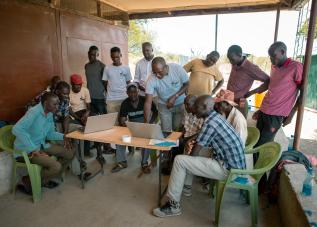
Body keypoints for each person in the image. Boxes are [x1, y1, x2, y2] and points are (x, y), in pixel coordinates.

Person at [152, 95, 246, 218]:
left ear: (206, 107)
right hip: (233, 165)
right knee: (188, 154)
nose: (194, 110)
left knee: (180, 160)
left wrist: (186, 157)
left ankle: (173, 205)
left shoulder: (210, 123)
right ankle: (185, 187)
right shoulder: (216, 117)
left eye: (197, 107)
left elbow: (195, 153)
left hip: (230, 171)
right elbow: (200, 143)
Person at [13, 92, 74, 192]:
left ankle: (44, 179)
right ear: (46, 103)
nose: (58, 106)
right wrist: (32, 149)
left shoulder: (49, 113)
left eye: (58, 103)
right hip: (26, 151)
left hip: (41, 145)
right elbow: (17, 129)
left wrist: (64, 136)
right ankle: (28, 180)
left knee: (70, 153)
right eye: (55, 104)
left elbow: (49, 133)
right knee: (56, 166)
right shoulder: (33, 113)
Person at [253, 41, 303, 148]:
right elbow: (273, 89)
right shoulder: (274, 66)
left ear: (283, 52)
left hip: (276, 114)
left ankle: (265, 165)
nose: (271, 59)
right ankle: (257, 164)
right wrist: (261, 109)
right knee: (255, 142)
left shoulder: (296, 67)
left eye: (273, 56)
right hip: (264, 110)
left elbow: (302, 91)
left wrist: (291, 114)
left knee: (263, 146)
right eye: (270, 57)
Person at [111, 83, 158, 174]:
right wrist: (124, 123)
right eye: (130, 92)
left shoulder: (145, 100)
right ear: (127, 93)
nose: (133, 94)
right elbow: (122, 120)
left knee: (147, 139)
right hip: (132, 126)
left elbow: (155, 112)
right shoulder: (125, 103)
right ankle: (122, 162)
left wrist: (150, 122)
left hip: (145, 124)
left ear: (138, 91)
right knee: (120, 138)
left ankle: (144, 163)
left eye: (134, 92)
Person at [144, 57, 189, 132]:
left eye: (159, 72)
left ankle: (176, 144)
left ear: (166, 67)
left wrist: (175, 96)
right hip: (164, 105)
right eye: (154, 72)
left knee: (177, 129)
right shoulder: (151, 79)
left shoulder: (177, 69)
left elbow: (187, 84)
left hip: (179, 104)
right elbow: (148, 102)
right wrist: (146, 122)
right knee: (166, 131)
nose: (157, 75)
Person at [227, 45, 270, 117]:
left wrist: (252, 92)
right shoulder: (235, 63)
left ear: (239, 55)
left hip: (241, 101)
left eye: (232, 59)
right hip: (228, 100)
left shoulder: (251, 68)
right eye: (229, 59)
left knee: (239, 122)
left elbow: (268, 80)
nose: (230, 62)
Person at [102, 47, 132, 113]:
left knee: (124, 120)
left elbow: (128, 83)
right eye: (113, 57)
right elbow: (104, 82)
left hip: (124, 98)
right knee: (112, 121)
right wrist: (111, 91)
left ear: (120, 55)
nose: (115, 59)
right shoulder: (107, 68)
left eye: (117, 57)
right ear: (111, 56)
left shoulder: (126, 68)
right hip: (111, 99)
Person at [69, 74, 91, 156]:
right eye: (76, 85)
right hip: (74, 114)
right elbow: (69, 110)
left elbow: (88, 107)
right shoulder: (68, 93)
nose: (79, 87)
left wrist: (86, 115)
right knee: (81, 128)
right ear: (71, 84)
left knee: (89, 125)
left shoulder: (85, 90)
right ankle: (78, 152)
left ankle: (87, 151)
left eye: (80, 85)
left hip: (84, 112)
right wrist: (78, 118)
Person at [85, 45, 107, 115]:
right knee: (93, 117)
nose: (92, 56)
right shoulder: (86, 66)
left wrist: (106, 96)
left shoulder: (102, 66)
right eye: (91, 54)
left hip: (100, 97)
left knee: (103, 117)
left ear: (98, 54)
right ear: (88, 54)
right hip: (89, 96)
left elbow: (105, 82)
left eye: (95, 55)